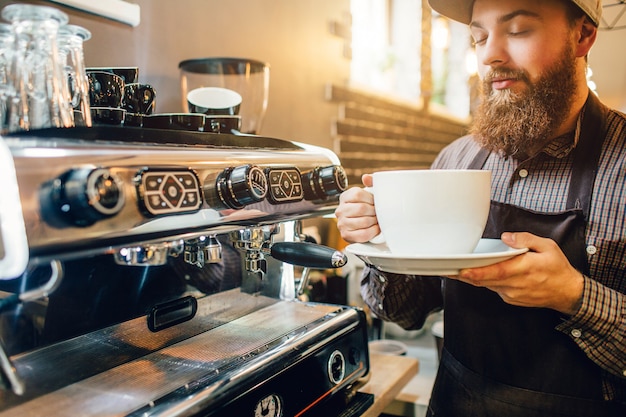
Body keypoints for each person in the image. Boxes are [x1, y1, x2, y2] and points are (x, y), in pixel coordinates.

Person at [334, 0, 626, 415]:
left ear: (583, 36)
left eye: (520, 29)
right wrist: (383, 242)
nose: (490, 54)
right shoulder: (456, 159)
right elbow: (403, 311)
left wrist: (575, 296)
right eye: (479, 37)